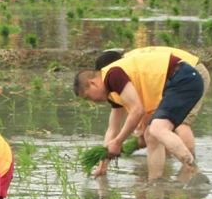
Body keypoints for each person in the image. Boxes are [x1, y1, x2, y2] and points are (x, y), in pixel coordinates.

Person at [74, 47, 205, 181]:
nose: (91, 101)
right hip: (177, 82)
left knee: (158, 129)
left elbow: (137, 110)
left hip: (183, 78)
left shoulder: (113, 74)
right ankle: (155, 182)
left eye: (87, 97)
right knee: (151, 135)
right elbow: (112, 130)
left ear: (93, 83)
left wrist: (119, 142)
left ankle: (195, 174)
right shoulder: (114, 91)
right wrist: (102, 166)